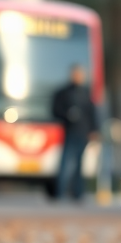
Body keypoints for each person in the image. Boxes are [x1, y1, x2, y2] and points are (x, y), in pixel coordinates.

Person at [51, 64, 98, 201]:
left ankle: (78, 194)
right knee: (65, 163)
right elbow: (55, 110)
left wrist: (94, 130)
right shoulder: (63, 92)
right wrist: (67, 115)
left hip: (83, 134)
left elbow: (92, 113)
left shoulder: (85, 92)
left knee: (80, 164)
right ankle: (60, 193)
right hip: (69, 132)